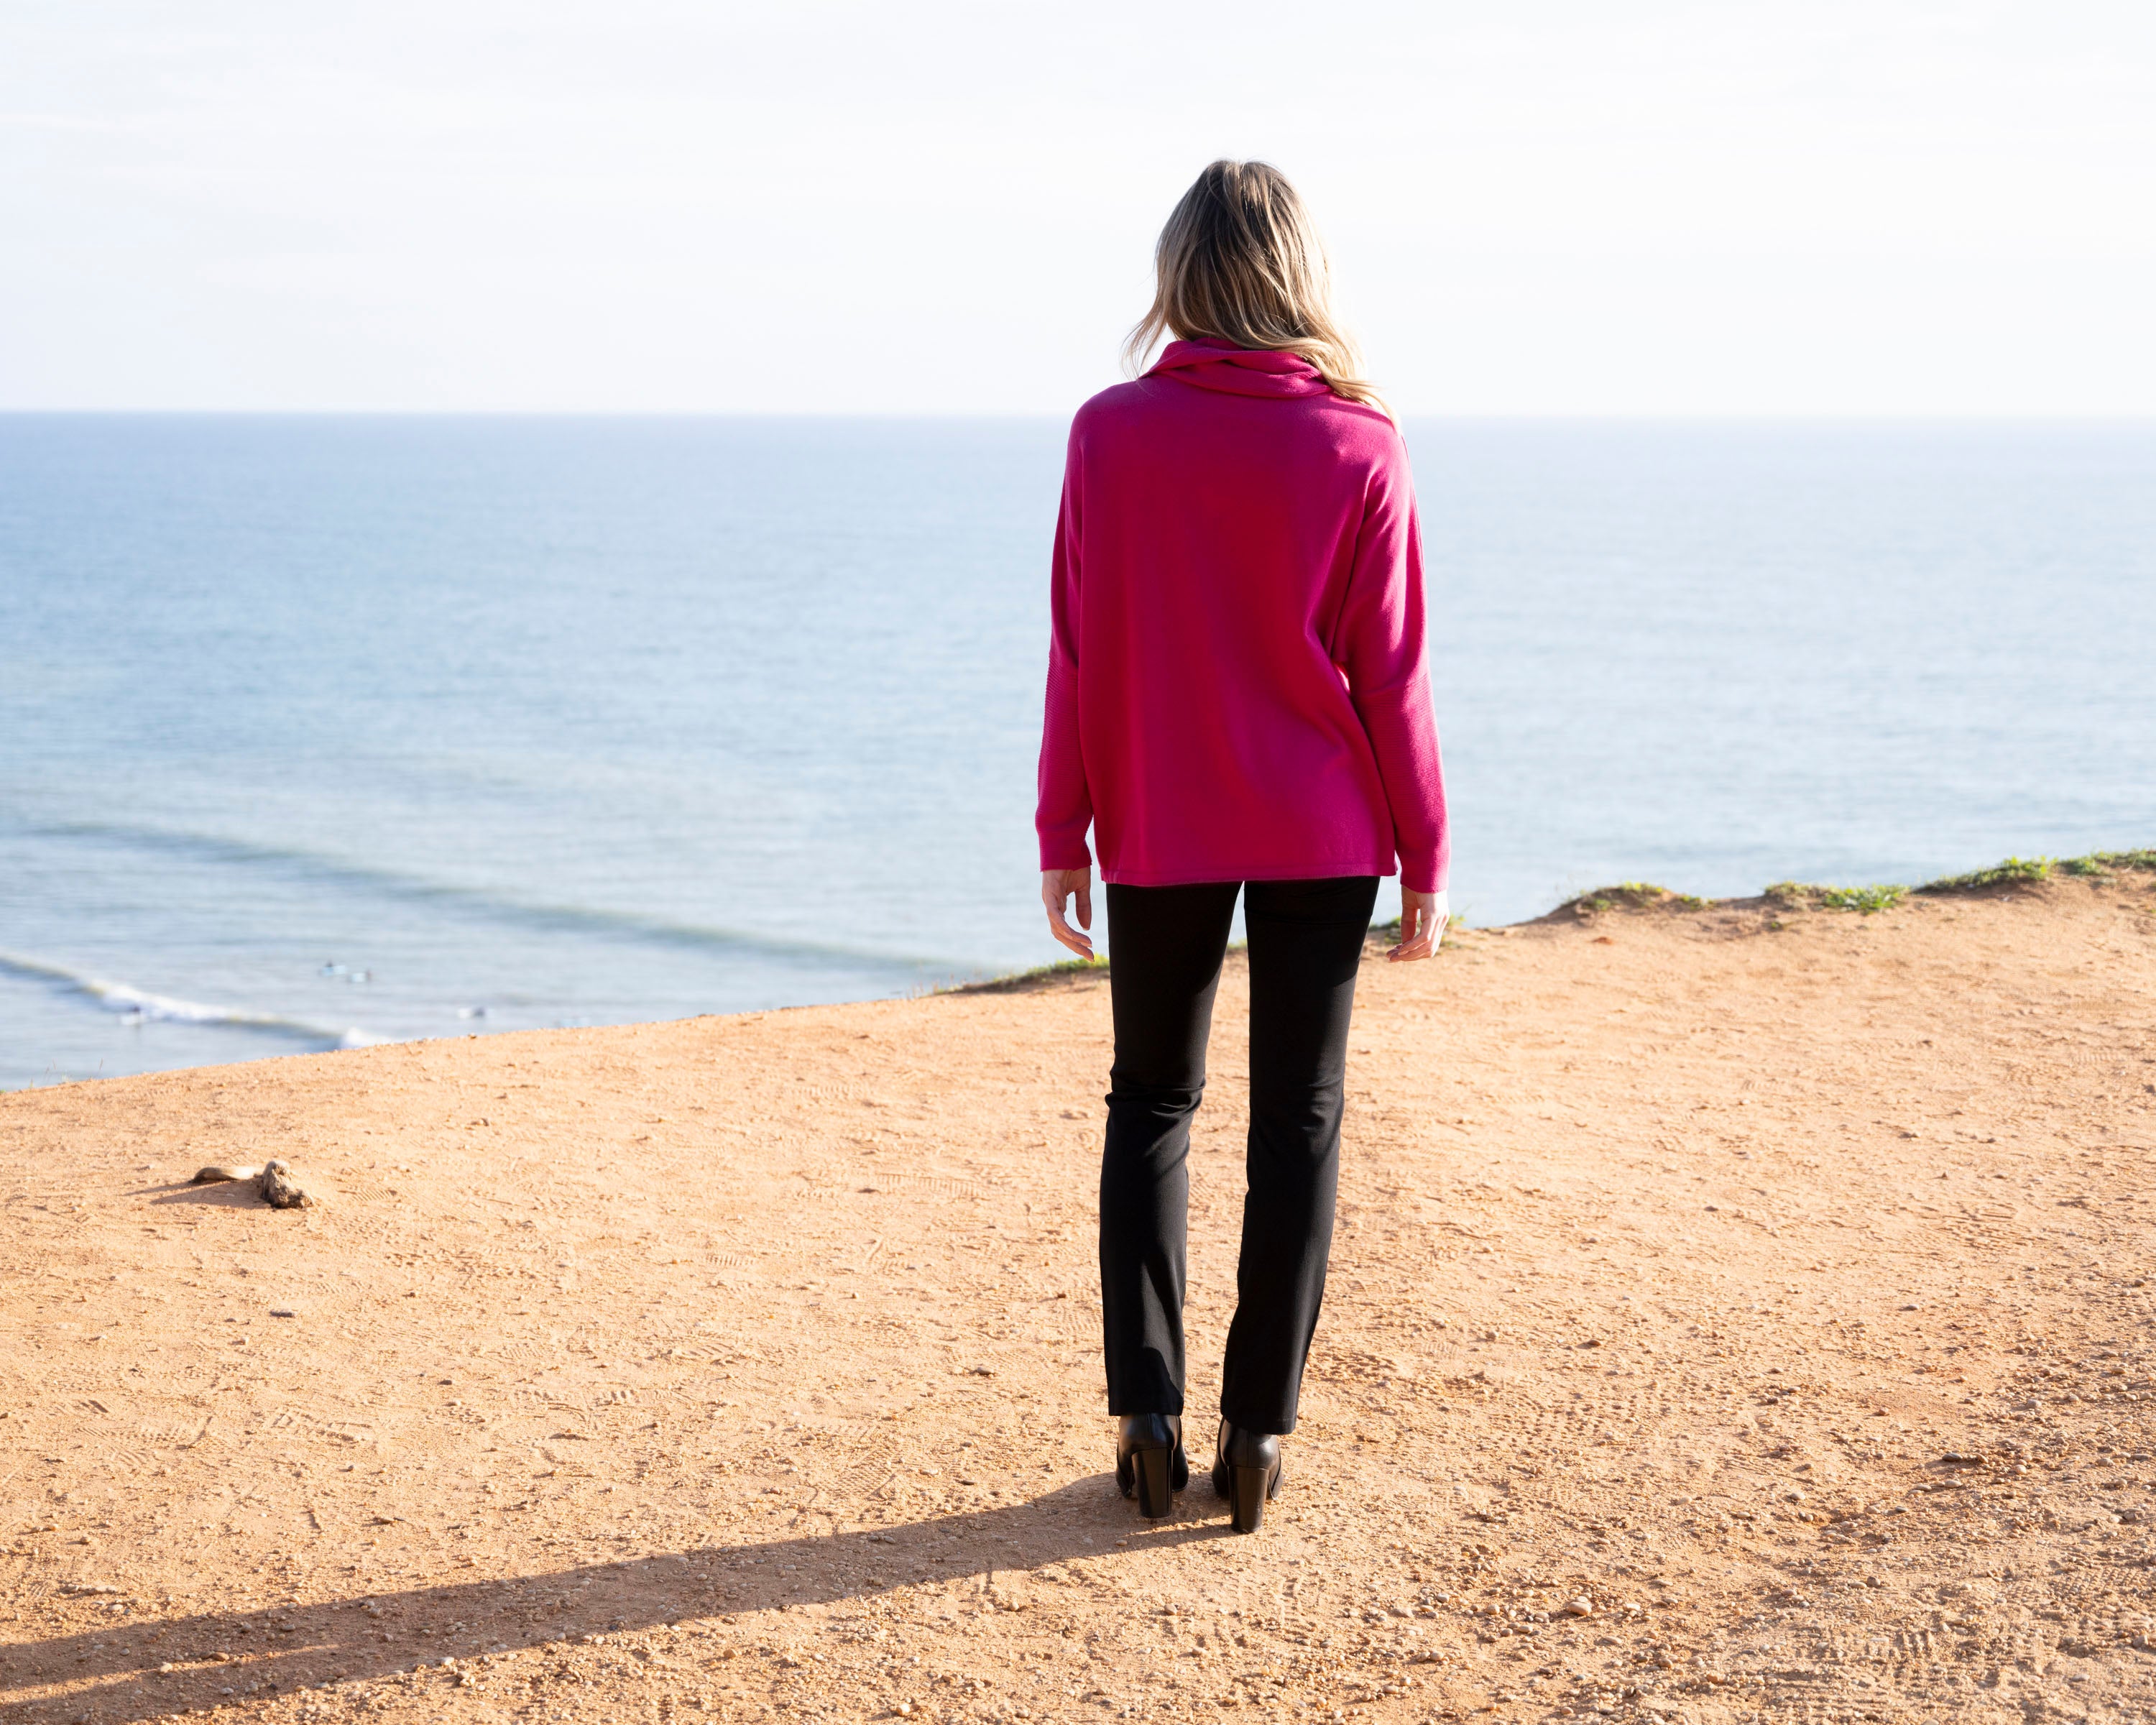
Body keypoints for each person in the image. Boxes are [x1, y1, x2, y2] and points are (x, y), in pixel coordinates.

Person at [1034, 159, 1450, 1533]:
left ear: (1181, 277)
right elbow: (1391, 676)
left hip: (1157, 814)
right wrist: (1427, 855)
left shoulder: (1109, 434)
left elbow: (1080, 650)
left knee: (1152, 1103)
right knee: (1299, 1121)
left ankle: (1146, 1417)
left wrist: (1062, 824)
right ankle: (1258, 1430)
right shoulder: (1362, 443)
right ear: (1300, 276)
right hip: (1325, 827)